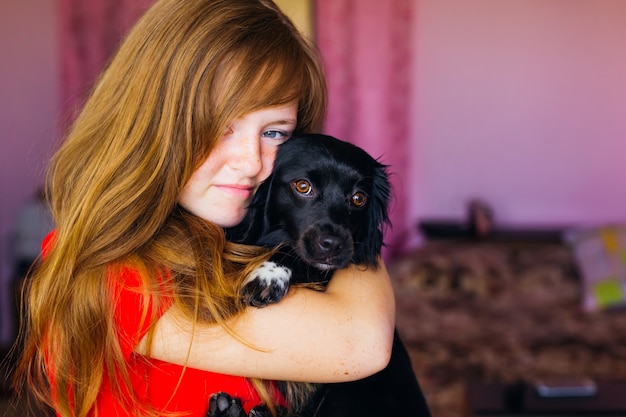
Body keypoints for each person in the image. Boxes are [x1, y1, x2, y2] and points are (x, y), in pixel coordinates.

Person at [14, 1, 396, 416]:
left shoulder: (241, 244)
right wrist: (356, 240)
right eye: (220, 126)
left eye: (273, 132)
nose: (251, 162)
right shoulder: (112, 275)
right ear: (153, 123)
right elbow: (362, 341)